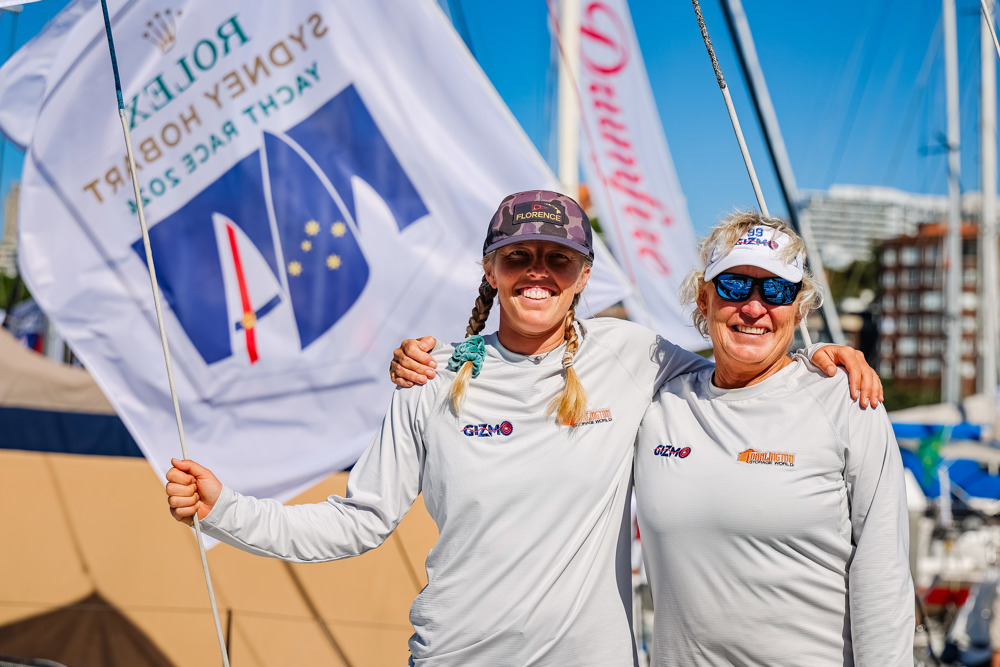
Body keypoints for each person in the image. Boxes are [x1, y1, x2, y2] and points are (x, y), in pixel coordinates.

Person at [168, 192, 879, 667]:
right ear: (491, 269)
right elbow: (355, 523)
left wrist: (819, 356)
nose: (538, 272)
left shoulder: (633, 358)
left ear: (583, 275)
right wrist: (225, 507)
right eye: (519, 256)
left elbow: (742, 357)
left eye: (557, 258)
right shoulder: (433, 376)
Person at [634, 212, 913, 666]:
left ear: (800, 307)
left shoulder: (846, 399)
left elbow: (882, 575)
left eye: (778, 290)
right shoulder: (658, 399)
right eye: (734, 286)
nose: (754, 307)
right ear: (703, 300)